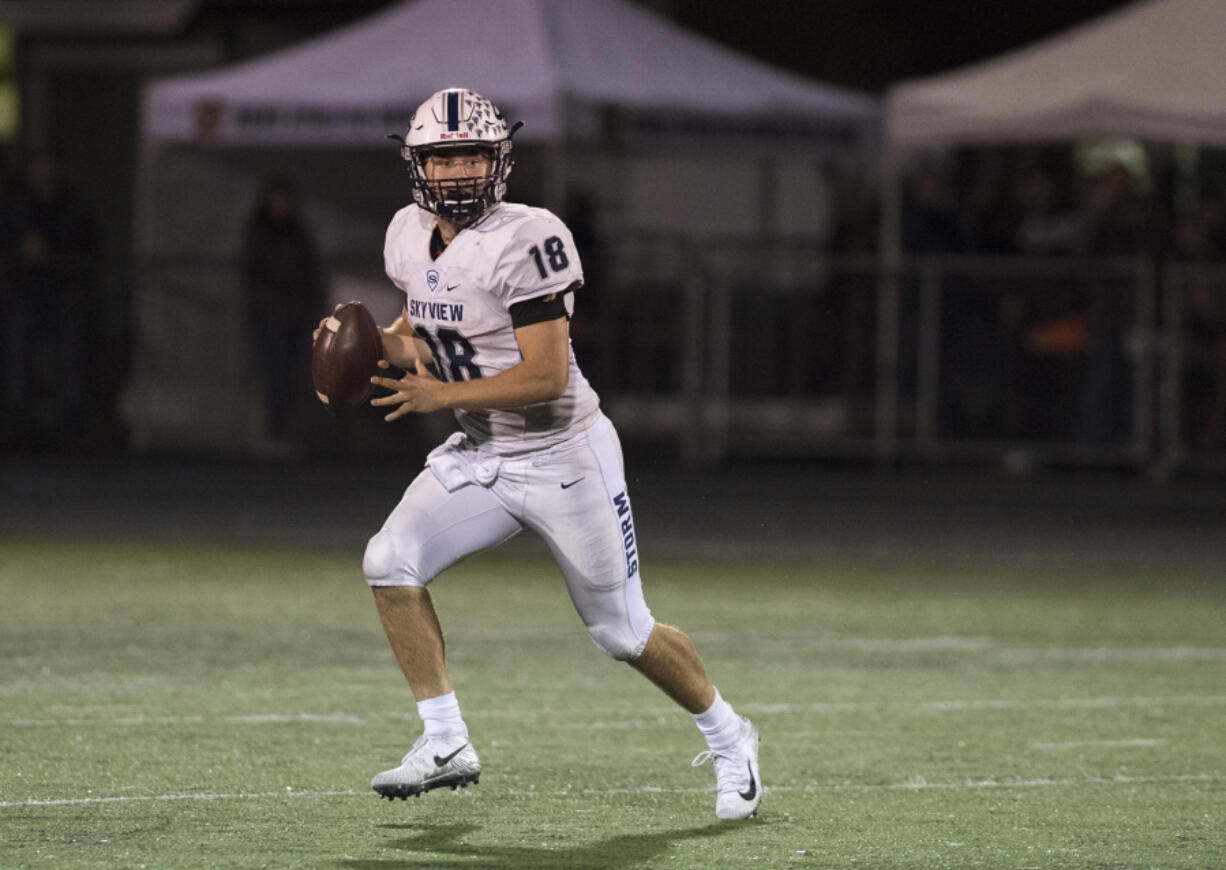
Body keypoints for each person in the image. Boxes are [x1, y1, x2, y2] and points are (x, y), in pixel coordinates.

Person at [325, 88, 760, 821]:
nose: (459, 171)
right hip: (483, 450)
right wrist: (368, 346)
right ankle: (445, 740)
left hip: (564, 452)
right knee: (387, 559)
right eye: (443, 156)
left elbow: (546, 376)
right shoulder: (406, 233)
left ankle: (730, 735)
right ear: (417, 164)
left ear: (501, 162)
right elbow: (420, 330)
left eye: (472, 155)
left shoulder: (530, 237)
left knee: (621, 631)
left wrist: (436, 397)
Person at [242, 175, 325, 454]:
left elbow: (310, 273)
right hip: (269, 318)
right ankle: (271, 433)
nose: (283, 205)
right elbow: (252, 275)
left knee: (294, 377)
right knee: (273, 376)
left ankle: (289, 435)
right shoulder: (259, 232)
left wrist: (309, 303)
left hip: (296, 317)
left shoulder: (299, 233)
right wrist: (264, 305)